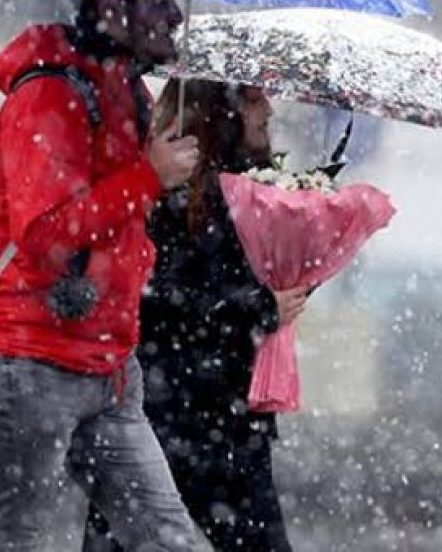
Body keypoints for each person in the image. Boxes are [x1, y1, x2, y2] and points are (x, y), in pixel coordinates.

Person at [0, 0, 214, 551]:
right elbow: (44, 234)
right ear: (110, 7)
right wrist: (148, 177)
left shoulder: (126, 93)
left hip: (108, 368)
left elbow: (125, 224)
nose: (175, 16)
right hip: (27, 361)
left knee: (167, 539)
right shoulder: (49, 93)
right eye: (157, 3)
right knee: (9, 541)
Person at [84, 79, 308, 551]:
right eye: (252, 98)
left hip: (226, 416)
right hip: (166, 414)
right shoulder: (168, 193)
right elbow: (153, 299)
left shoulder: (254, 191)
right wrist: (256, 307)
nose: (267, 108)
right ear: (217, 111)